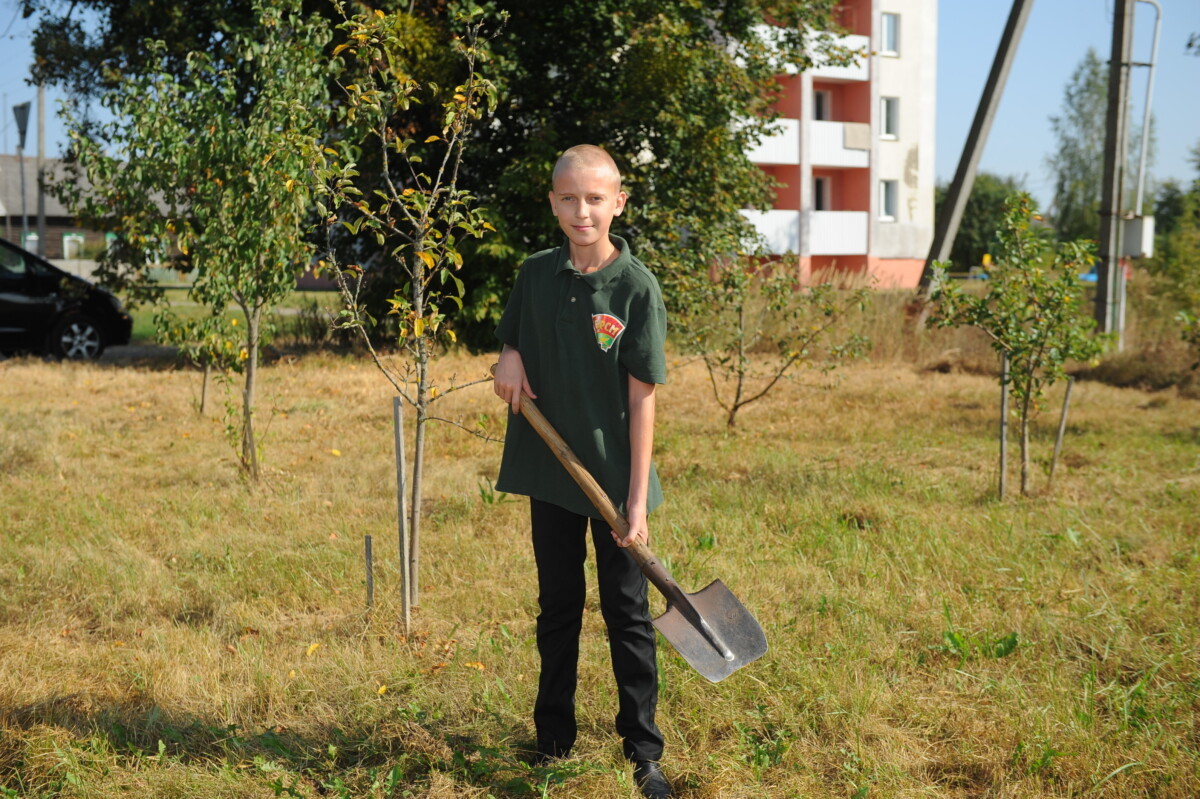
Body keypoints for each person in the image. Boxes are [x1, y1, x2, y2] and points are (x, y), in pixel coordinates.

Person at [492, 144, 672, 799]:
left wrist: (636, 502)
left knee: (627, 613)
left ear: (618, 202)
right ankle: (553, 743)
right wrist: (509, 354)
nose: (582, 210)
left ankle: (644, 753)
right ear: (552, 203)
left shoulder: (635, 287)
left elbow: (641, 398)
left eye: (595, 198)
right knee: (559, 608)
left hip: (617, 484)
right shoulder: (535, 275)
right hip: (551, 474)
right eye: (568, 198)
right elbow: (514, 334)